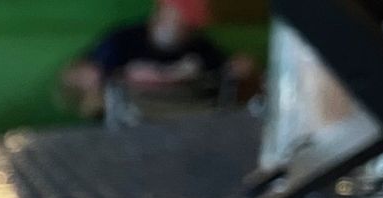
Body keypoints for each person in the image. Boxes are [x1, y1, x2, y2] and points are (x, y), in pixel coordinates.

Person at [63, 0, 253, 120]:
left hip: (191, 124)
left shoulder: (201, 46)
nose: (182, 25)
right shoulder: (122, 41)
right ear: (161, 10)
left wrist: (241, 70)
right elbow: (72, 80)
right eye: (177, 16)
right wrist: (86, 76)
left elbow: (230, 72)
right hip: (132, 125)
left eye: (189, 23)